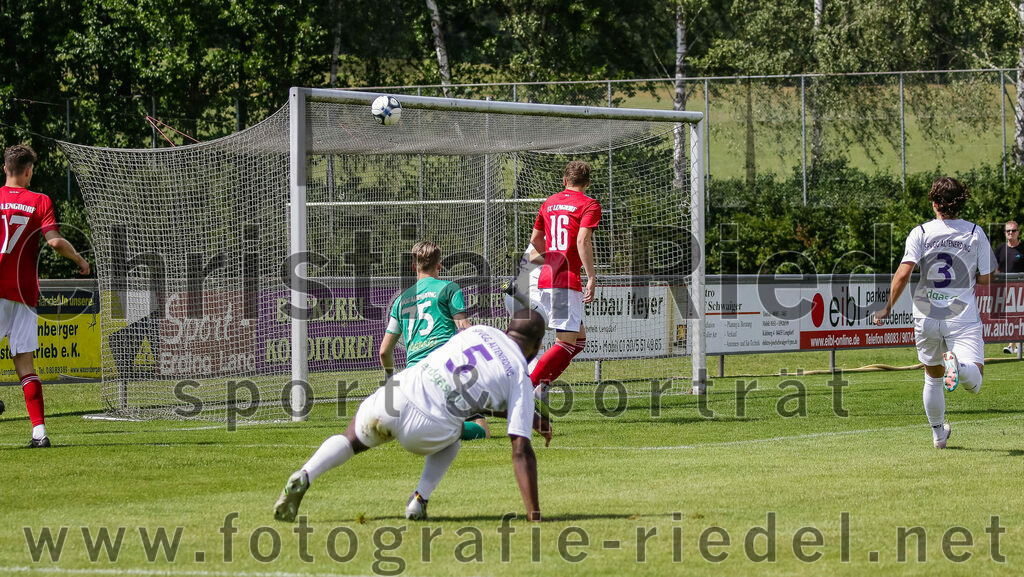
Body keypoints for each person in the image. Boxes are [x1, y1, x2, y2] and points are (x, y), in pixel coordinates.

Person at [274, 310, 551, 522]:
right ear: (537, 346)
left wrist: (528, 417)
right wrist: (534, 513)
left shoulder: (478, 331)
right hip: (427, 427)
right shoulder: (518, 373)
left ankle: (306, 474)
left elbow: (467, 385)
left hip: (398, 392)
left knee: (351, 440)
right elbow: (521, 451)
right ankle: (419, 499)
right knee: (454, 437)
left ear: (507, 328)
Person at [873, 177, 992, 449]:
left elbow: (903, 273)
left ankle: (939, 435)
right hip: (960, 314)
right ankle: (959, 367)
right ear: (961, 202)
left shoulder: (921, 232)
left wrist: (887, 308)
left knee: (932, 376)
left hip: (925, 314)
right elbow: (986, 278)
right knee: (974, 382)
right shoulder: (975, 233)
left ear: (935, 203)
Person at [0, 144, 90, 447]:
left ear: (5, 169)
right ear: (28, 171)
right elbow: (54, 243)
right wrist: (79, 259)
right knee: (25, 365)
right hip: (24, 293)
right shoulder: (39, 200)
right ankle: (39, 433)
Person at [379, 240, 488, 439]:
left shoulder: (400, 301)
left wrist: (390, 378)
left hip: (412, 380)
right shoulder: (448, 289)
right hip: (444, 370)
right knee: (482, 430)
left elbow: (384, 351)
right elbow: (463, 328)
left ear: (414, 266)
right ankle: (451, 429)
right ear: (439, 265)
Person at [528, 160, 601, 389]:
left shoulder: (549, 202)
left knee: (578, 341)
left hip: (547, 278)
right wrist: (591, 276)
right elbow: (583, 240)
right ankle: (525, 389)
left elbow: (535, 241)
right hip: (565, 281)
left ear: (564, 181)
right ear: (587, 183)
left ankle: (541, 387)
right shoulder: (589, 204)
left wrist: (551, 257)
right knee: (565, 342)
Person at [994, 220, 1023, 354]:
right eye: (1008, 231)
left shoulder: (1022, 249)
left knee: (1020, 315)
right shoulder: (1001, 249)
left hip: (1021, 288)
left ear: (1018, 232)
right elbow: (996, 268)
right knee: (1008, 316)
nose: (1010, 233)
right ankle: (1012, 345)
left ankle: (1017, 345)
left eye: (1013, 230)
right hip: (1004, 288)